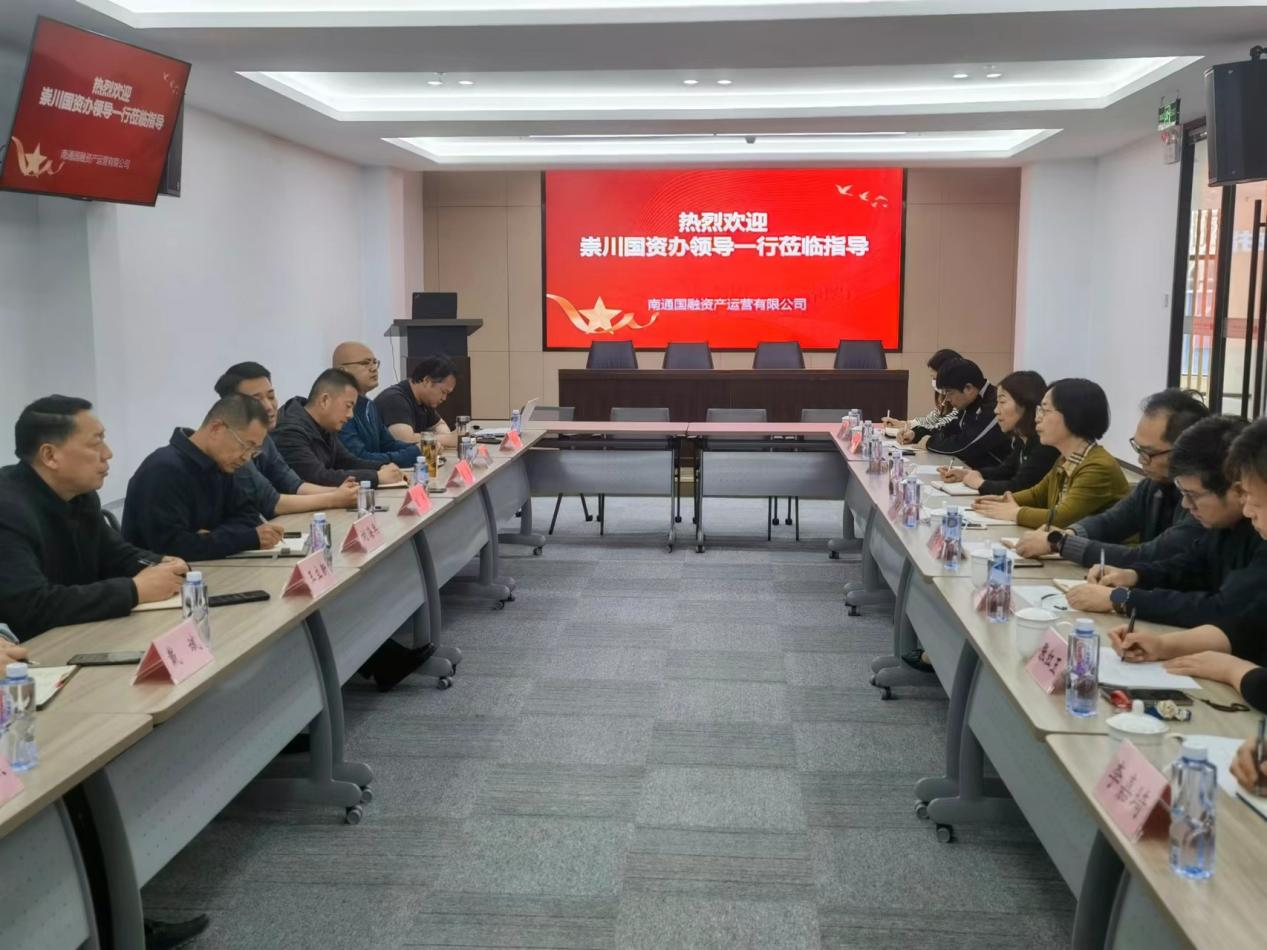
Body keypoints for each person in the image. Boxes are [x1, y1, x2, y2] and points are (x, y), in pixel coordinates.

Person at [1106, 417, 1267, 708]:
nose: (1247, 509)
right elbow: (1246, 623)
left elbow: (1226, 609)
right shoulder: (1224, 528)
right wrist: (1163, 645)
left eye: (1252, 498)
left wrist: (1235, 671)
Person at [0, 396, 189, 638]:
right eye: (96, 443)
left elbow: (115, 555)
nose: (108, 453)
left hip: (81, 632)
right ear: (50, 456)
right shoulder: (8, 510)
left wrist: (161, 563)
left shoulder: (81, 495)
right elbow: (32, 607)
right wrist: (134, 590)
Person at [1069, 416, 1267, 630]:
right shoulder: (1224, 524)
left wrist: (1122, 599)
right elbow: (1190, 567)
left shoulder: (1261, 534)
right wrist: (1134, 576)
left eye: (1193, 495)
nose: (1186, 504)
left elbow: (1224, 610)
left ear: (1234, 488)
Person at [1013, 388, 1209, 562]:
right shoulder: (1153, 485)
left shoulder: (1201, 502)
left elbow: (1154, 554)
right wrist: (1069, 534)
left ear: (1184, 450)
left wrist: (1061, 542)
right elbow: (1111, 521)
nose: (1140, 460)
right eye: (1138, 448)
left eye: (1149, 452)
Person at [123, 395, 285, 560]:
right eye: (245, 446)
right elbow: (170, 546)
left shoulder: (221, 464)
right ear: (216, 429)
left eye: (254, 450)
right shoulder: (163, 470)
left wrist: (210, 538)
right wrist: (242, 539)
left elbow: (248, 517)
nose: (246, 457)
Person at [973, 377, 1128, 529]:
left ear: (1073, 415)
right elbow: (1037, 495)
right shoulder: (1064, 458)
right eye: (1039, 410)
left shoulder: (1098, 467)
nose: (1037, 418)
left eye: (1045, 410)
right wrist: (1001, 500)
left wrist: (1014, 513)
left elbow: (1062, 518)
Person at [213, 362, 359, 517]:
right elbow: (271, 502)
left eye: (271, 396)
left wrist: (342, 492)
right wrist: (333, 499)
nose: (269, 406)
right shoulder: (231, 446)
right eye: (256, 400)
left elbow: (293, 484)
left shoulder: (265, 437)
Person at [273, 369, 404, 488]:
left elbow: (347, 462)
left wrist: (383, 467)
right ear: (324, 400)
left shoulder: (325, 426)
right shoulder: (289, 432)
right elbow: (317, 477)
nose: (351, 415)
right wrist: (376, 477)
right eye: (348, 406)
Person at [937, 370, 1057, 495]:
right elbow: (1005, 471)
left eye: (1002, 402)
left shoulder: (1044, 443)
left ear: (1025, 404)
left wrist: (980, 483)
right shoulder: (1022, 439)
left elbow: (1020, 487)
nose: (996, 410)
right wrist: (968, 474)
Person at [903, 357, 1011, 470]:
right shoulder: (970, 402)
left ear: (968, 388)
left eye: (949, 392)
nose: (947, 399)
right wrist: (917, 434)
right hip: (976, 472)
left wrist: (929, 443)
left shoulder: (995, 406)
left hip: (997, 477)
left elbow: (966, 445)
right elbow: (949, 430)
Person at [332, 341, 422, 466]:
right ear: (342, 371)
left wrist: (422, 447)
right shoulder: (338, 409)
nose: (374, 368)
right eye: (365, 363)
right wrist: (414, 453)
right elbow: (360, 458)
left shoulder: (368, 404)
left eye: (375, 362)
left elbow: (387, 444)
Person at [374, 354, 459, 449]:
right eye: (443, 392)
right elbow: (405, 440)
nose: (444, 398)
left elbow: (440, 425)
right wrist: (447, 439)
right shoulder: (395, 399)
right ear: (427, 381)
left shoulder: (424, 402)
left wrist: (446, 437)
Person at [882, 348, 961, 437]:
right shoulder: (944, 400)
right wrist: (901, 424)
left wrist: (913, 433)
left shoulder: (960, 402)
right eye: (932, 378)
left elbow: (939, 429)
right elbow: (928, 421)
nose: (934, 382)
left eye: (935, 378)